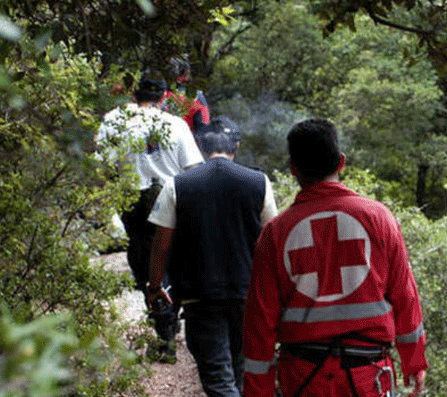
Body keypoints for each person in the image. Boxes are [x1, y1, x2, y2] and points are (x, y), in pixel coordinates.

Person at [242, 118, 428, 397]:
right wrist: (414, 362)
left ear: (293, 168)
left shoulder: (275, 232)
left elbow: (260, 320)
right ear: (341, 162)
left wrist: (259, 391)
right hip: (369, 376)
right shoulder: (379, 218)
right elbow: (405, 295)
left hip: (302, 377)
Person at [146, 117, 278, 397]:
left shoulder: (177, 185)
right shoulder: (258, 182)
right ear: (237, 145)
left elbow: (161, 244)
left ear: (201, 145)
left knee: (218, 378)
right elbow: (270, 242)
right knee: (242, 372)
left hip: (199, 295)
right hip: (248, 295)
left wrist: (155, 286)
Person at [96, 76, 204, 363]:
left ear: (134, 95)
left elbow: (103, 167)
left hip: (132, 199)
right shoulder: (176, 124)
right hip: (170, 197)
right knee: (171, 259)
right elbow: (193, 168)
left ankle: (162, 329)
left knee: (145, 262)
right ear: (163, 97)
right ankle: (168, 326)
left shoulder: (113, 119)